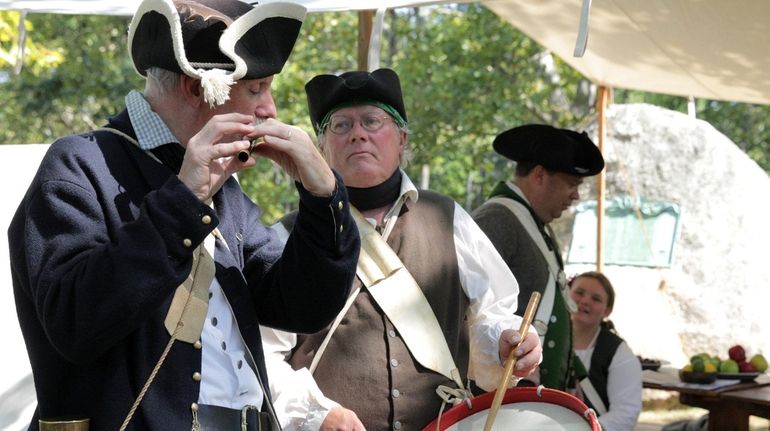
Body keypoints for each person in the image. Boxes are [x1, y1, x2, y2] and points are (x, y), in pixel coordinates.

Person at [7, 0, 360, 429]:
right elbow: (75, 325)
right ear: (197, 88)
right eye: (256, 89)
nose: (270, 110)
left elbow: (302, 309)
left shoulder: (225, 191)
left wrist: (323, 198)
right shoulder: (78, 166)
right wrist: (183, 202)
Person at [260, 68, 543, 431]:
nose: (358, 134)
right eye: (341, 126)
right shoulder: (287, 236)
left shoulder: (447, 217)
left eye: (372, 121)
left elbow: (492, 314)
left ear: (402, 139)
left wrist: (507, 343)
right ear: (322, 148)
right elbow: (259, 352)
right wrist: (317, 414)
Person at [471, 124, 604, 391]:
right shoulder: (497, 219)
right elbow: (471, 311)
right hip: (507, 391)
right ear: (540, 175)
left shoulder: (537, 227)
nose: (576, 195)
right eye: (571, 183)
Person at [569, 271, 642, 431]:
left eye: (596, 299)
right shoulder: (545, 338)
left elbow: (626, 412)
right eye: (579, 293)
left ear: (607, 310)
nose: (585, 301)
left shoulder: (619, 353)